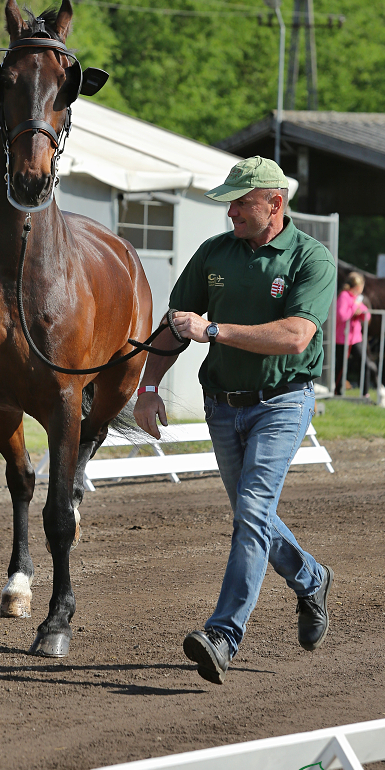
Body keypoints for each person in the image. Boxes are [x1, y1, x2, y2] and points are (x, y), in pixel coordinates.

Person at [134, 155, 336, 685]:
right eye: (228, 205)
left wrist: (215, 331)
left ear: (274, 203)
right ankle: (311, 578)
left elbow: (295, 335)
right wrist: (148, 386)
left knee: (251, 511)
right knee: (257, 517)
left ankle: (224, 633)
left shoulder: (311, 259)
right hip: (222, 405)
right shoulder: (213, 255)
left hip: (283, 402)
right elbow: (177, 327)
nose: (231, 214)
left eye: (240, 204)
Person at [335, 271, 385, 405]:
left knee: (365, 363)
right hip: (343, 338)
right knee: (341, 366)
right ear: (357, 286)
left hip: (355, 338)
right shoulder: (344, 297)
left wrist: (361, 313)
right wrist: (354, 310)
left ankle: (365, 394)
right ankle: (337, 392)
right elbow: (341, 316)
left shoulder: (357, 298)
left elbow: (366, 315)